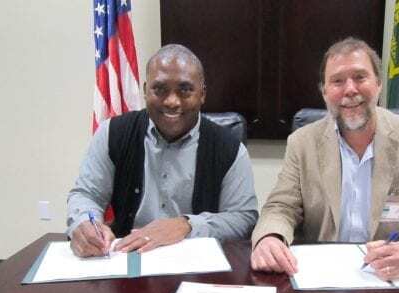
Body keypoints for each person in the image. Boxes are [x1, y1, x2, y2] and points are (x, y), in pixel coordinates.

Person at [250, 37, 399, 281]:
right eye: (337, 81)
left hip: (392, 283)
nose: (350, 89)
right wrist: (270, 238)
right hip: (323, 281)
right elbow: (281, 207)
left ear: (379, 84)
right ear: (325, 92)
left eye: (360, 77)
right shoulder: (302, 143)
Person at [67, 44, 258, 257]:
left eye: (185, 90)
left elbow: (244, 218)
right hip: (128, 262)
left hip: (197, 266)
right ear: (145, 91)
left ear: (202, 94)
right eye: (160, 90)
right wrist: (85, 222)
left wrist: (187, 225)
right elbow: (86, 194)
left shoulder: (228, 148)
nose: (172, 101)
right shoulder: (112, 134)